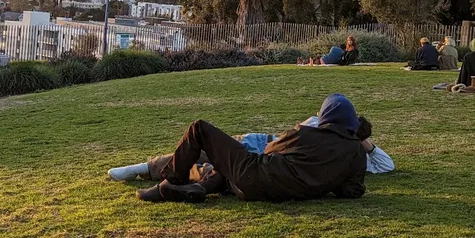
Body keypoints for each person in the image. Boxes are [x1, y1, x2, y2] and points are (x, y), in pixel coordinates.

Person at [133, 94, 367, 203]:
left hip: (255, 180)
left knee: (200, 129)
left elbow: (268, 150)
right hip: (270, 193)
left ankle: (172, 182)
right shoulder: (356, 153)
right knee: (230, 168)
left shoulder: (307, 134)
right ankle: (200, 188)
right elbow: (352, 191)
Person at [108, 115, 393, 185]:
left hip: (263, 156)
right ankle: (147, 168)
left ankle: (149, 171)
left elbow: (387, 164)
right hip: (262, 142)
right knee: (202, 150)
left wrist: (362, 143)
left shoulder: (351, 155)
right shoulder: (323, 126)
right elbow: (291, 134)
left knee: (209, 158)